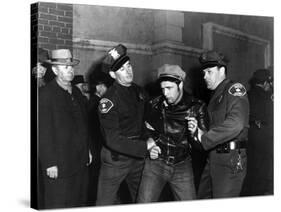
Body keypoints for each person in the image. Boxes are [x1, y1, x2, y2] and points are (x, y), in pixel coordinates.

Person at [95, 44, 157, 205]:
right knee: (104, 202)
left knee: (142, 199)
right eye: (122, 69)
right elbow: (112, 140)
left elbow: (144, 122)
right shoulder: (108, 100)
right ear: (112, 74)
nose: (128, 71)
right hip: (116, 159)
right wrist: (145, 147)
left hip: (137, 158)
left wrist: (150, 138)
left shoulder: (140, 91)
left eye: (129, 66)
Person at [136, 64, 208, 202]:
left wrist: (195, 133)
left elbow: (204, 145)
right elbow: (145, 130)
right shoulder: (153, 104)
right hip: (156, 164)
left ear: (180, 84)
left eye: (169, 88)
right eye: (163, 88)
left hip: (182, 165)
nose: (165, 93)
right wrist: (151, 145)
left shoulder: (197, 107)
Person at [190, 50, 249, 198]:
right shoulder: (216, 95)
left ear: (222, 70)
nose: (205, 77)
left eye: (209, 72)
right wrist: (198, 130)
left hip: (230, 160)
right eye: (204, 73)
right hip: (214, 158)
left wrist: (205, 138)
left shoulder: (234, 89)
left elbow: (236, 123)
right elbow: (216, 125)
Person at [38, 49, 92, 209]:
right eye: (65, 66)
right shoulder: (45, 95)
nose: (70, 70)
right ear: (55, 70)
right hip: (59, 165)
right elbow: (43, 131)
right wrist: (50, 163)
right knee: (58, 203)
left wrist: (87, 150)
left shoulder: (76, 91)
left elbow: (83, 124)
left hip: (79, 161)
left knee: (79, 201)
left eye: (71, 66)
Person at [242, 68, 273, 195]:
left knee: (252, 166)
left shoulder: (247, 94)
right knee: (264, 166)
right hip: (265, 135)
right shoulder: (268, 96)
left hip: (250, 134)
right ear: (266, 82)